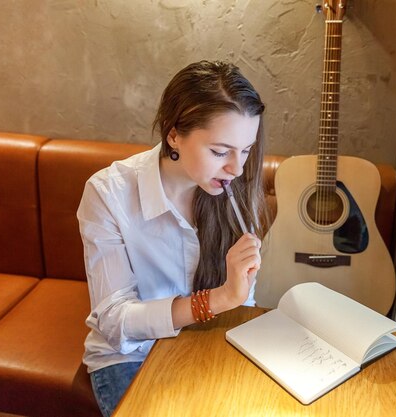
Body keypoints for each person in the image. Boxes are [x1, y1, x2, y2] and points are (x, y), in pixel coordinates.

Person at [76, 60, 268, 417]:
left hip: (210, 340)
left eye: (246, 150)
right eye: (220, 151)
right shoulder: (108, 193)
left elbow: (243, 300)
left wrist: (239, 294)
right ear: (174, 135)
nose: (237, 168)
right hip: (131, 356)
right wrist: (217, 299)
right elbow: (115, 323)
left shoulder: (234, 187)